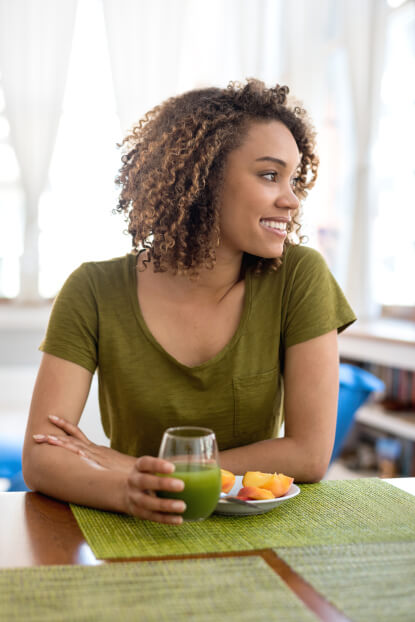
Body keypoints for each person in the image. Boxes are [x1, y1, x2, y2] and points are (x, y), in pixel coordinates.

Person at [22, 79, 356, 525]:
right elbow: (42, 458)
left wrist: (121, 464)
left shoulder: (300, 278)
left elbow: (309, 454)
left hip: (258, 527)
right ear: (203, 178)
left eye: (294, 179)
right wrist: (127, 490)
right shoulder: (93, 290)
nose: (291, 200)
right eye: (270, 174)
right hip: (135, 523)